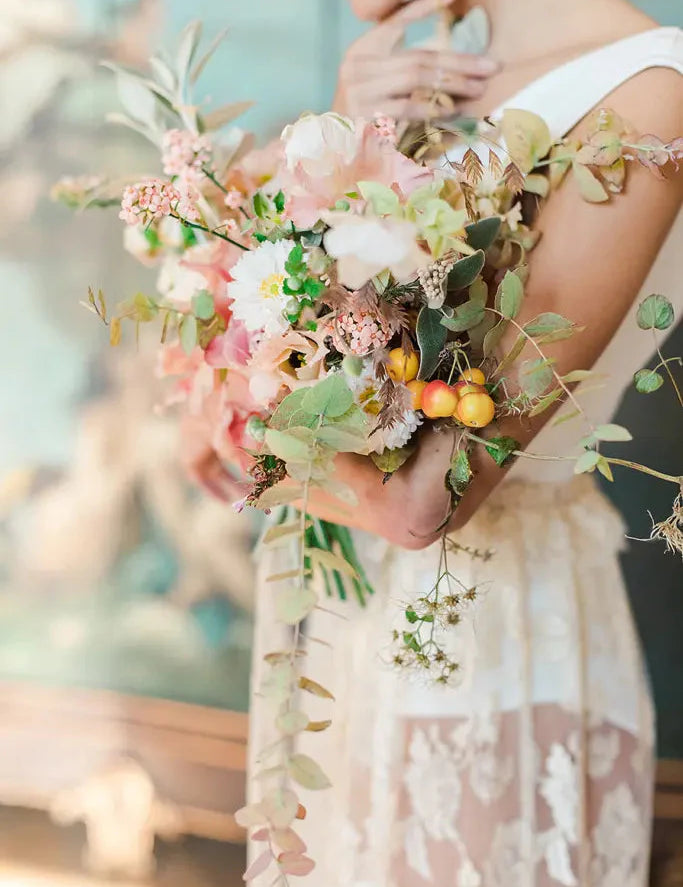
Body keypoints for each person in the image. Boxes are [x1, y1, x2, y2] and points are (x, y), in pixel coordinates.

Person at [249, 1, 682, 884]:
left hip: (489, 640)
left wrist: (251, 422)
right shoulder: (433, 85)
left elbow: (423, 501)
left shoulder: (647, 96)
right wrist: (342, 156)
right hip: (358, 617)